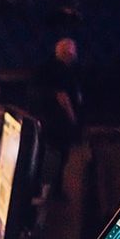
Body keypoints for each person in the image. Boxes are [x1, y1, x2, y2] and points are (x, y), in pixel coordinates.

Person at [30, 37, 84, 197]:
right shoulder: (61, 70)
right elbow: (63, 97)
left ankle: (44, 189)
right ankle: (52, 190)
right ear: (67, 53)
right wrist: (73, 119)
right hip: (57, 122)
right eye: (72, 52)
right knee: (56, 156)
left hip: (45, 120)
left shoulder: (45, 68)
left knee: (48, 156)